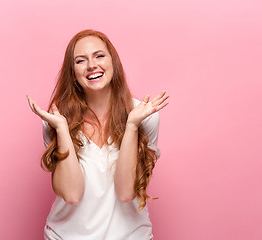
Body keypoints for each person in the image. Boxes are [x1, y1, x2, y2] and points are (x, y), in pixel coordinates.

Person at [26, 29, 169, 240]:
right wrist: (62, 129)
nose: (92, 65)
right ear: (72, 72)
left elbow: (126, 193)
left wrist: (131, 126)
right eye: (80, 60)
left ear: (114, 62)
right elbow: (72, 195)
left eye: (99, 56)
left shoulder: (144, 116)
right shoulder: (56, 121)